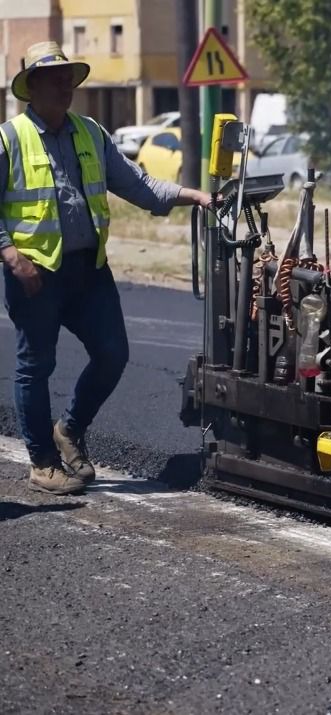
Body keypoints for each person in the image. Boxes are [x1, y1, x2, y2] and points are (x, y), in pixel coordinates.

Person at [0, 42, 211, 495]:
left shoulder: (90, 133)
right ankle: (42, 463)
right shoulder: (10, 138)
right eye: (55, 78)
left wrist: (192, 195)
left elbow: (137, 184)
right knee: (35, 366)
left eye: (69, 77)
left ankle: (69, 429)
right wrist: (11, 254)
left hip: (88, 270)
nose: (66, 86)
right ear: (32, 86)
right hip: (35, 273)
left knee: (113, 353)